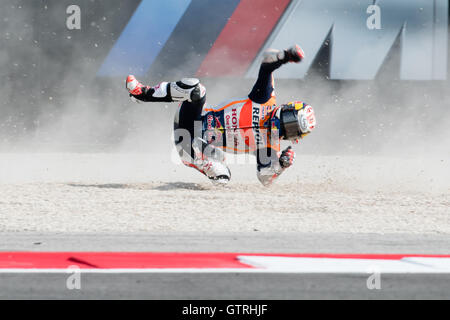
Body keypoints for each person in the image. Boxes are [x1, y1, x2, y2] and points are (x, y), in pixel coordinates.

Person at [125, 44, 316, 186]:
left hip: (191, 147)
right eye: (290, 121)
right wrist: (285, 56)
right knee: (196, 88)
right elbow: (266, 62)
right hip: (189, 119)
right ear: (287, 107)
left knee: (222, 178)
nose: (286, 127)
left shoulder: (270, 145)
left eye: (292, 131)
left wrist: (281, 165)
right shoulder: (264, 98)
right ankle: (143, 94)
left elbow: (265, 177)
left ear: (294, 138)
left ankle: (198, 161)